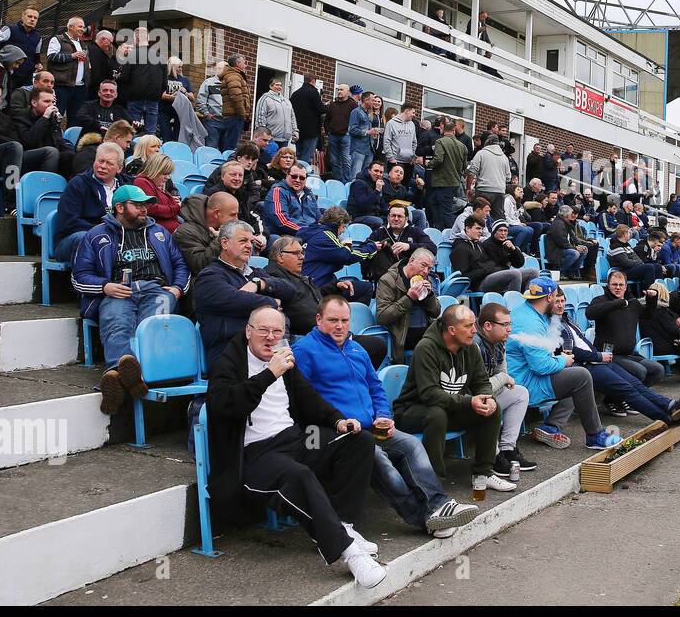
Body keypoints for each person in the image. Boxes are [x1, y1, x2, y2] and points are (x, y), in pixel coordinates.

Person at [205, 306, 387, 587]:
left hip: (295, 440)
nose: (270, 338)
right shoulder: (228, 363)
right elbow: (224, 406)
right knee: (297, 475)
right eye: (263, 331)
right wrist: (268, 374)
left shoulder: (284, 361)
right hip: (254, 455)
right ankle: (349, 553)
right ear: (248, 332)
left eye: (277, 332)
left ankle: (344, 525)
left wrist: (337, 420)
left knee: (358, 440)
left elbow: (308, 397)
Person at [292, 296, 481, 539]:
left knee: (411, 445)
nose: (339, 326)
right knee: (381, 463)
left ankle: (438, 505)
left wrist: (383, 415)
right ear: (318, 320)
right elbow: (302, 400)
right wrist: (337, 422)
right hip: (338, 433)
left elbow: (375, 388)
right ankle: (424, 519)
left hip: (372, 426)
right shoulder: (305, 351)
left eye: (344, 320)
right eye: (332, 320)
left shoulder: (356, 348)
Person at [73, 183, 189, 411]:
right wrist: (105, 286)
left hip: (157, 290)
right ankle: (124, 374)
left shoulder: (159, 233)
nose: (144, 209)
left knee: (152, 326)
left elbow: (180, 265)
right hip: (118, 291)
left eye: (146, 205)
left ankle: (117, 379)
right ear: (119, 207)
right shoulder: (96, 236)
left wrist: (176, 289)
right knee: (118, 324)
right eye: (137, 205)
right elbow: (79, 276)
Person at [390, 303, 514, 491]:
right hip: (412, 411)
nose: (474, 330)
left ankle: (483, 473)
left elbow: (481, 382)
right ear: (452, 330)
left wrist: (485, 398)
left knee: (492, 408)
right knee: (437, 413)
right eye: (468, 326)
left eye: (474, 325)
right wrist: (468, 401)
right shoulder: (426, 348)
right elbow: (429, 394)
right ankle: (432, 482)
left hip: (448, 409)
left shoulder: (470, 348)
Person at [548, 289, 680, 425]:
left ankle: (671, 405)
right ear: (549, 303)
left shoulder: (566, 320)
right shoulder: (552, 324)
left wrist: (597, 355)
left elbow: (584, 342)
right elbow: (572, 351)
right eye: (556, 302)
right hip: (586, 366)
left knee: (636, 384)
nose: (561, 305)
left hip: (597, 360)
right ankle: (666, 418)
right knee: (628, 390)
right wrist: (597, 355)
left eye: (562, 301)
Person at [505, 275, 622, 451]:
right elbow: (542, 367)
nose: (559, 302)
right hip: (521, 383)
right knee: (580, 376)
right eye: (555, 297)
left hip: (523, 374)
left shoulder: (528, 310)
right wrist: (562, 360)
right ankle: (595, 435)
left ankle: (550, 427)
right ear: (548, 298)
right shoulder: (531, 323)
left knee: (573, 377)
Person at [262, 236, 385, 366]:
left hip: (327, 335)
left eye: (302, 253)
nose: (302, 257)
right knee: (375, 347)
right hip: (312, 340)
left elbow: (309, 297)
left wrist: (334, 287)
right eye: (296, 253)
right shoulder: (273, 280)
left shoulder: (295, 276)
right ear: (280, 257)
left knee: (377, 345)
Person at [192, 220, 297, 368]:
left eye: (251, 241)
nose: (249, 245)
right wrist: (273, 303)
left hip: (269, 346)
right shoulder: (209, 277)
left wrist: (258, 283)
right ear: (224, 243)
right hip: (231, 354)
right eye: (243, 241)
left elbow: (290, 289)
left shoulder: (256, 273)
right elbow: (238, 301)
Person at [474, 303, 537, 477]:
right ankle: (493, 457)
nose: (509, 329)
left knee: (520, 393)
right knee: (488, 401)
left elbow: (503, 373)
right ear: (488, 325)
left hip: (489, 392)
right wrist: (502, 379)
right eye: (505, 325)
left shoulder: (499, 341)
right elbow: (478, 389)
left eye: (510, 324)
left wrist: (502, 379)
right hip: (473, 400)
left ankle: (508, 449)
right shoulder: (474, 346)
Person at [0, 82, 61, 190]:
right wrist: (1, 147)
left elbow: (17, 142)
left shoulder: (4, 119)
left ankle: (41, 194)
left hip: (7, 159)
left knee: (50, 152)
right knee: (13, 148)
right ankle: (11, 201)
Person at [587, 270, 666, 388]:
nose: (618, 288)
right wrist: (618, 303)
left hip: (628, 354)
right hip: (609, 355)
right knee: (640, 371)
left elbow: (647, 315)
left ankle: (634, 397)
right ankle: (615, 399)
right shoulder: (601, 300)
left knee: (658, 370)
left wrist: (651, 299)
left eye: (621, 285)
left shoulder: (632, 303)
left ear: (625, 286)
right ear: (608, 286)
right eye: (614, 285)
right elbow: (590, 313)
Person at [53, 142, 130, 262]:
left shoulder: (128, 186)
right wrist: (105, 231)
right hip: (74, 239)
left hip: (118, 237)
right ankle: (88, 280)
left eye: (109, 163)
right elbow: (69, 223)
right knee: (85, 238)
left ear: (119, 168)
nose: (103, 166)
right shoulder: (77, 184)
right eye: (100, 161)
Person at [300, 206, 379, 305]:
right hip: (318, 287)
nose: (344, 231)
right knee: (366, 288)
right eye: (343, 227)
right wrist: (371, 248)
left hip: (312, 283)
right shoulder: (326, 236)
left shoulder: (311, 231)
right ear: (338, 223)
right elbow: (348, 257)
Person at [375, 247, 440, 363]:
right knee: (439, 339)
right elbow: (382, 316)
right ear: (411, 261)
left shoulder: (425, 278)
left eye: (429, 268)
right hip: (402, 332)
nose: (426, 271)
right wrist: (409, 298)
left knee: (456, 332)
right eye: (423, 265)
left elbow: (436, 312)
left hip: (425, 327)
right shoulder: (389, 280)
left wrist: (429, 295)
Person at [173, 190, 239, 284]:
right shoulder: (185, 232)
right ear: (216, 213)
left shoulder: (222, 229)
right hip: (201, 286)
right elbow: (199, 266)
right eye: (232, 215)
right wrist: (220, 240)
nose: (236, 219)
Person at [365, 203, 436, 280]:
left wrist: (409, 246)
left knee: (431, 280)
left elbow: (433, 248)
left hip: (413, 275)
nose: (396, 219)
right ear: (388, 217)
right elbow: (364, 247)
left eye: (399, 216)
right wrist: (374, 247)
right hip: (386, 276)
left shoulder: (415, 231)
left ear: (406, 218)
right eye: (393, 216)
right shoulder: (379, 232)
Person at [117, 29, 167, 136]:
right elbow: (164, 84)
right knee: (151, 132)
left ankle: (131, 151)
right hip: (153, 99)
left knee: (132, 131)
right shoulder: (161, 58)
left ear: (137, 39)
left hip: (135, 98)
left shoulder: (131, 55)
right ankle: (151, 151)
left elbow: (124, 78)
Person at [0, 4, 42, 88]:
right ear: (22, 17)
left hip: (26, 79)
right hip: (8, 76)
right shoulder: (10, 29)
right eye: (29, 16)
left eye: (35, 18)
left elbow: (36, 55)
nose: (32, 19)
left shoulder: (38, 37)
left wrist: (38, 64)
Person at [425, 115, 467, 229]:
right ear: (453, 131)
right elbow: (465, 166)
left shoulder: (440, 142)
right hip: (454, 182)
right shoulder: (462, 146)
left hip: (442, 182)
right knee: (433, 202)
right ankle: (439, 228)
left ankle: (451, 234)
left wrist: (429, 163)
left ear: (443, 130)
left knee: (446, 211)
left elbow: (438, 159)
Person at [46, 18, 90, 124]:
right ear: (70, 27)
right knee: (56, 116)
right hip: (62, 86)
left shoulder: (83, 44)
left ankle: (72, 140)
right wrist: (72, 56)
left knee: (76, 119)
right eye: (80, 26)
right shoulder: (58, 39)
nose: (82, 29)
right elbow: (51, 57)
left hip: (80, 87)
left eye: (83, 27)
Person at [263, 161, 322, 236]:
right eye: (294, 176)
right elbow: (282, 221)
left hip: (310, 233)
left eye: (302, 178)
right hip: (287, 235)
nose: (297, 180)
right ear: (287, 176)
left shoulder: (309, 194)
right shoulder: (278, 191)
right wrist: (310, 231)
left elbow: (318, 216)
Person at [479, 220, 540, 290]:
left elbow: (519, 264)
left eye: (505, 231)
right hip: (489, 277)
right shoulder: (487, 244)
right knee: (515, 274)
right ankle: (514, 300)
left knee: (533, 272)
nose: (503, 233)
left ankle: (528, 299)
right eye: (500, 230)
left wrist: (514, 250)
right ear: (494, 232)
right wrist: (506, 264)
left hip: (505, 274)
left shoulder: (507, 244)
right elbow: (493, 265)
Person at [465, 134, 510, 219]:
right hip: (500, 192)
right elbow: (508, 178)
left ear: (488, 141)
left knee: (479, 217)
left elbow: (472, 172)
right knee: (498, 218)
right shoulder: (504, 158)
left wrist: (468, 188)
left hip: (484, 190)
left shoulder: (481, 153)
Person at [134, 153, 181, 233]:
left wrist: (171, 201)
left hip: (171, 230)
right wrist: (177, 207)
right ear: (154, 170)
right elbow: (151, 209)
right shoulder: (142, 182)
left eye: (169, 174)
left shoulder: (157, 186)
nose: (168, 177)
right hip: (159, 233)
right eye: (165, 174)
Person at [546, 205, 594, 279]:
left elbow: (574, 238)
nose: (572, 215)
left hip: (563, 248)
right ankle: (560, 272)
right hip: (555, 251)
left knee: (583, 250)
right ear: (567, 214)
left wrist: (581, 245)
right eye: (571, 213)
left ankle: (571, 273)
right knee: (575, 253)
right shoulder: (558, 224)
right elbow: (562, 242)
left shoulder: (566, 223)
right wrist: (575, 248)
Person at [214, 55, 250, 151]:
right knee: (230, 147)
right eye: (244, 63)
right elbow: (236, 97)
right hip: (235, 116)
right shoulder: (234, 76)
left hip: (233, 116)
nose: (245, 65)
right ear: (237, 64)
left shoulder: (233, 75)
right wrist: (243, 114)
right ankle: (227, 165)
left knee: (227, 144)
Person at [290, 71, 326, 165]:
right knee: (307, 158)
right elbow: (321, 109)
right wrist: (327, 106)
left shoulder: (295, 94)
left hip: (298, 130)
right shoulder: (313, 92)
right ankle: (303, 176)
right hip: (311, 131)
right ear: (313, 81)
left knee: (298, 155)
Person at [157, 56, 195, 143]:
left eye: (181, 67)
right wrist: (177, 98)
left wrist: (185, 93)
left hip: (180, 113)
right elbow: (161, 95)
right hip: (164, 110)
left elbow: (192, 98)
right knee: (166, 136)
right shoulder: (164, 78)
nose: (181, 69)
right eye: (179, 67)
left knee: (178, 138)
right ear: (172, 67)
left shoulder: (184, 79)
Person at [254, 76, 298, 148]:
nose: (279, 87)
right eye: (277, 85)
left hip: (284, 139)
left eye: (281, 85)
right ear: (270, 86)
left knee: (281, 159)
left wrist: (295, 132)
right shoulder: (265, 99)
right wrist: (264, 134)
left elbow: (292, 118)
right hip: (270, 139)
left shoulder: (286, 101)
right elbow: (260, 117)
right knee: (270, 158)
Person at [347, 91, 379, 181]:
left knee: (365, 177)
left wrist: (373, 132)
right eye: (372, 100)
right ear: (366, 100)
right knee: (355, 176)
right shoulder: (356, 112)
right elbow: (352, 129)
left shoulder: (367, 113)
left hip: (368, 149)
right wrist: (367, 132)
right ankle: (352, 194)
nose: (374, 102)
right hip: (358, 149)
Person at [85, 30, 124, 97]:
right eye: (110, 42)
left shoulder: (95, 50)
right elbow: (95, 74)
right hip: (94, 92)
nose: (111, 46)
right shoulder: (95, 52)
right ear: (103, 39)